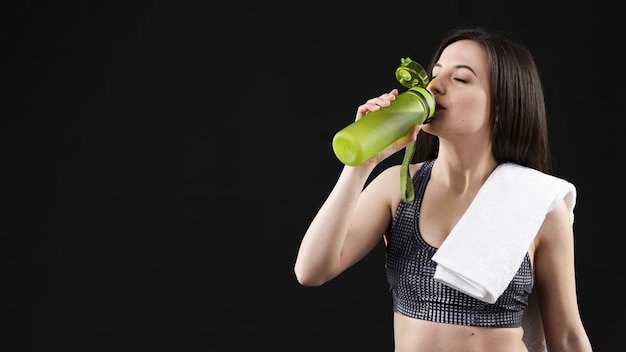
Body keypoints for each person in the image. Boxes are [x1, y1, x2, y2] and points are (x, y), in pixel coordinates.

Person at [294, 26, 593, 352]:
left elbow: (566, 337)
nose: (435, 86)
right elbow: (311, 270)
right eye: (435, 74)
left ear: (502, 104)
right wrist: (361, 164)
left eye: (460, 79)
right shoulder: (399, 188)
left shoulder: (537, 202)